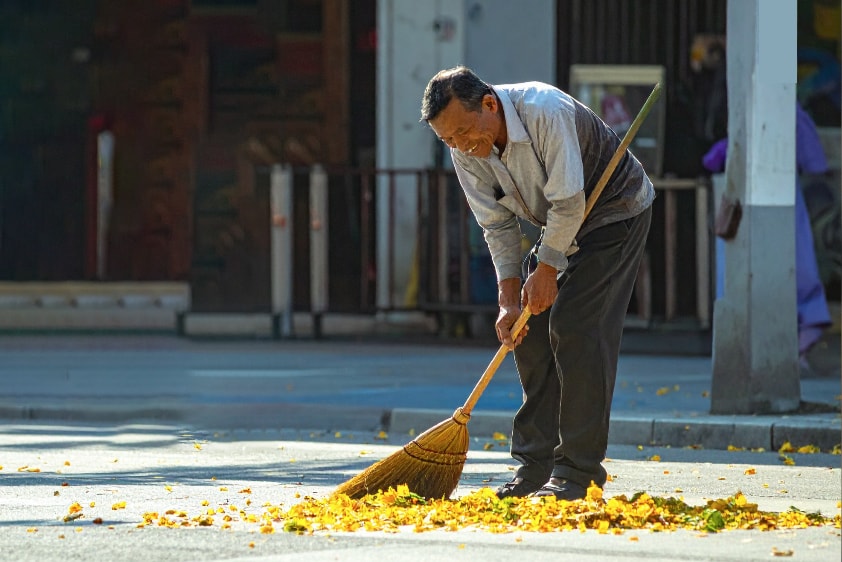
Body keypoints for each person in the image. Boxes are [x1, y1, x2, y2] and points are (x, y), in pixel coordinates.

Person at [420, 66, 654, 500]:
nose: (461, 147)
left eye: (465, 133)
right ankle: (535, 466)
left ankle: (577, 472)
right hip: (557, 223)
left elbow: (569, 203)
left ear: (490, 104)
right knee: (526, 332)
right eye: (449, 141)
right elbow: (497, 227)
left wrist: (545, 270)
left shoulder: (544, 111)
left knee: (575, 326)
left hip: (612, 211)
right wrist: (509, 297)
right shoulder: (463, 147)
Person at [702, 103, 832, 375]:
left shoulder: (747, 111)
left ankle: (754, 353)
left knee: (747, 277)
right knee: (797, 272)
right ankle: (799, 350)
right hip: (785, 201)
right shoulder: (793, 114)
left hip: (747, 207)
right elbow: (816, 163)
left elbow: (713, 159)